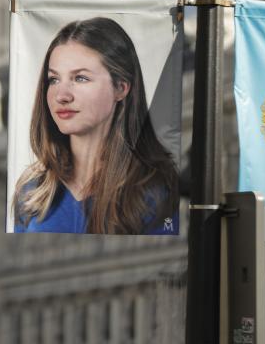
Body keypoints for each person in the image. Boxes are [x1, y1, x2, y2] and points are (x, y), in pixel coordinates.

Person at [13, 17, 179, 235]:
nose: (61, 96)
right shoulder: (32, 192)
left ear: (120, 88)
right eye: (54, 80)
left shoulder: (157, 193)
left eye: (80, 78)